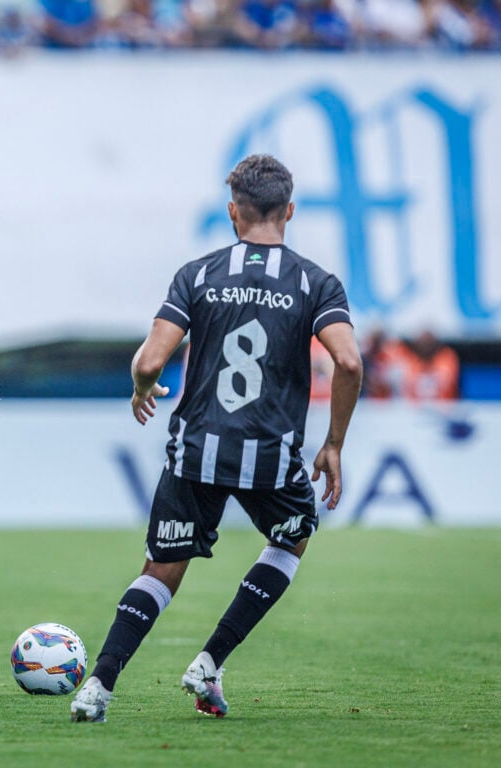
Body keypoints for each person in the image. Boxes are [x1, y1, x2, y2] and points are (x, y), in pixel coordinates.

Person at [70, 154, 363, 722]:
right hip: (271, 457)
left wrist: (140, 388)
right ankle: (209, 661)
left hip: (196, 448)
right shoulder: (314, 282)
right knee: (291, 539)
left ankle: (97, 688)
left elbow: (152, 359)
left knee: (161, 569)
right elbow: (348, 363)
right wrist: (334, 443)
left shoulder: (198, 274)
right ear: (290, 211)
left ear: (234, 212)